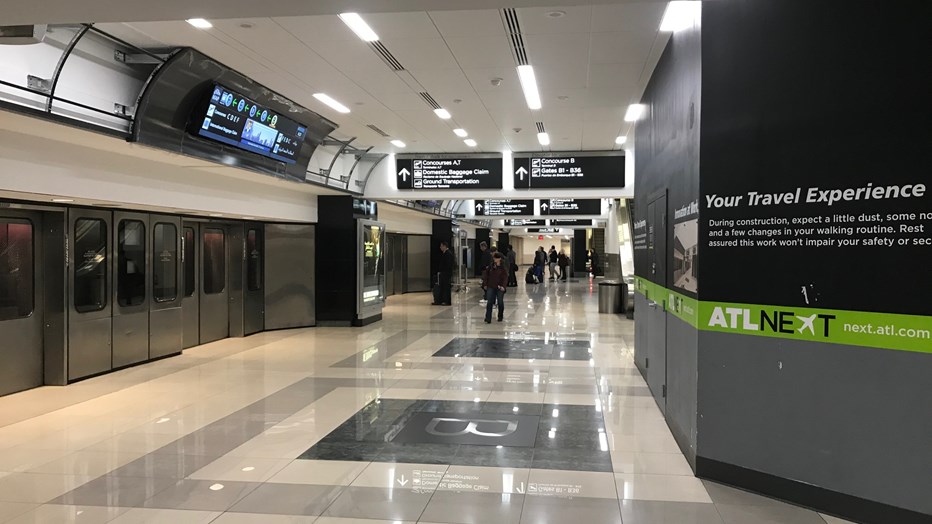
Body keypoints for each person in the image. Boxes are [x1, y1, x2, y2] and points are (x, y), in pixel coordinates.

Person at [482, 251, 508, 323]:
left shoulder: (503, 267)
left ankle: (500, 316)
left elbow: (505, 277)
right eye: (494, 258)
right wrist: (485, 284)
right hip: (491, 285)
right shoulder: (491, 266)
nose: (495, 260)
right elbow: (486, 276)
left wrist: (503, 286)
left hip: (500, 287)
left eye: (496, 258)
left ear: (499, 259)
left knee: (500, 302)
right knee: (489, 301)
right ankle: (488, 318)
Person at [433, 240, 454, 306]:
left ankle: (447, 301)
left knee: (446, 287)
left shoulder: (448, 254)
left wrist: (443, 271)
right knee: (442, 287)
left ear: (445, 246)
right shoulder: (445, 253)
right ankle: (441, 300)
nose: (440, 247)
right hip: (443, 273)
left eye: (441, 246)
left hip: (446, 274)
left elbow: (448, 264)